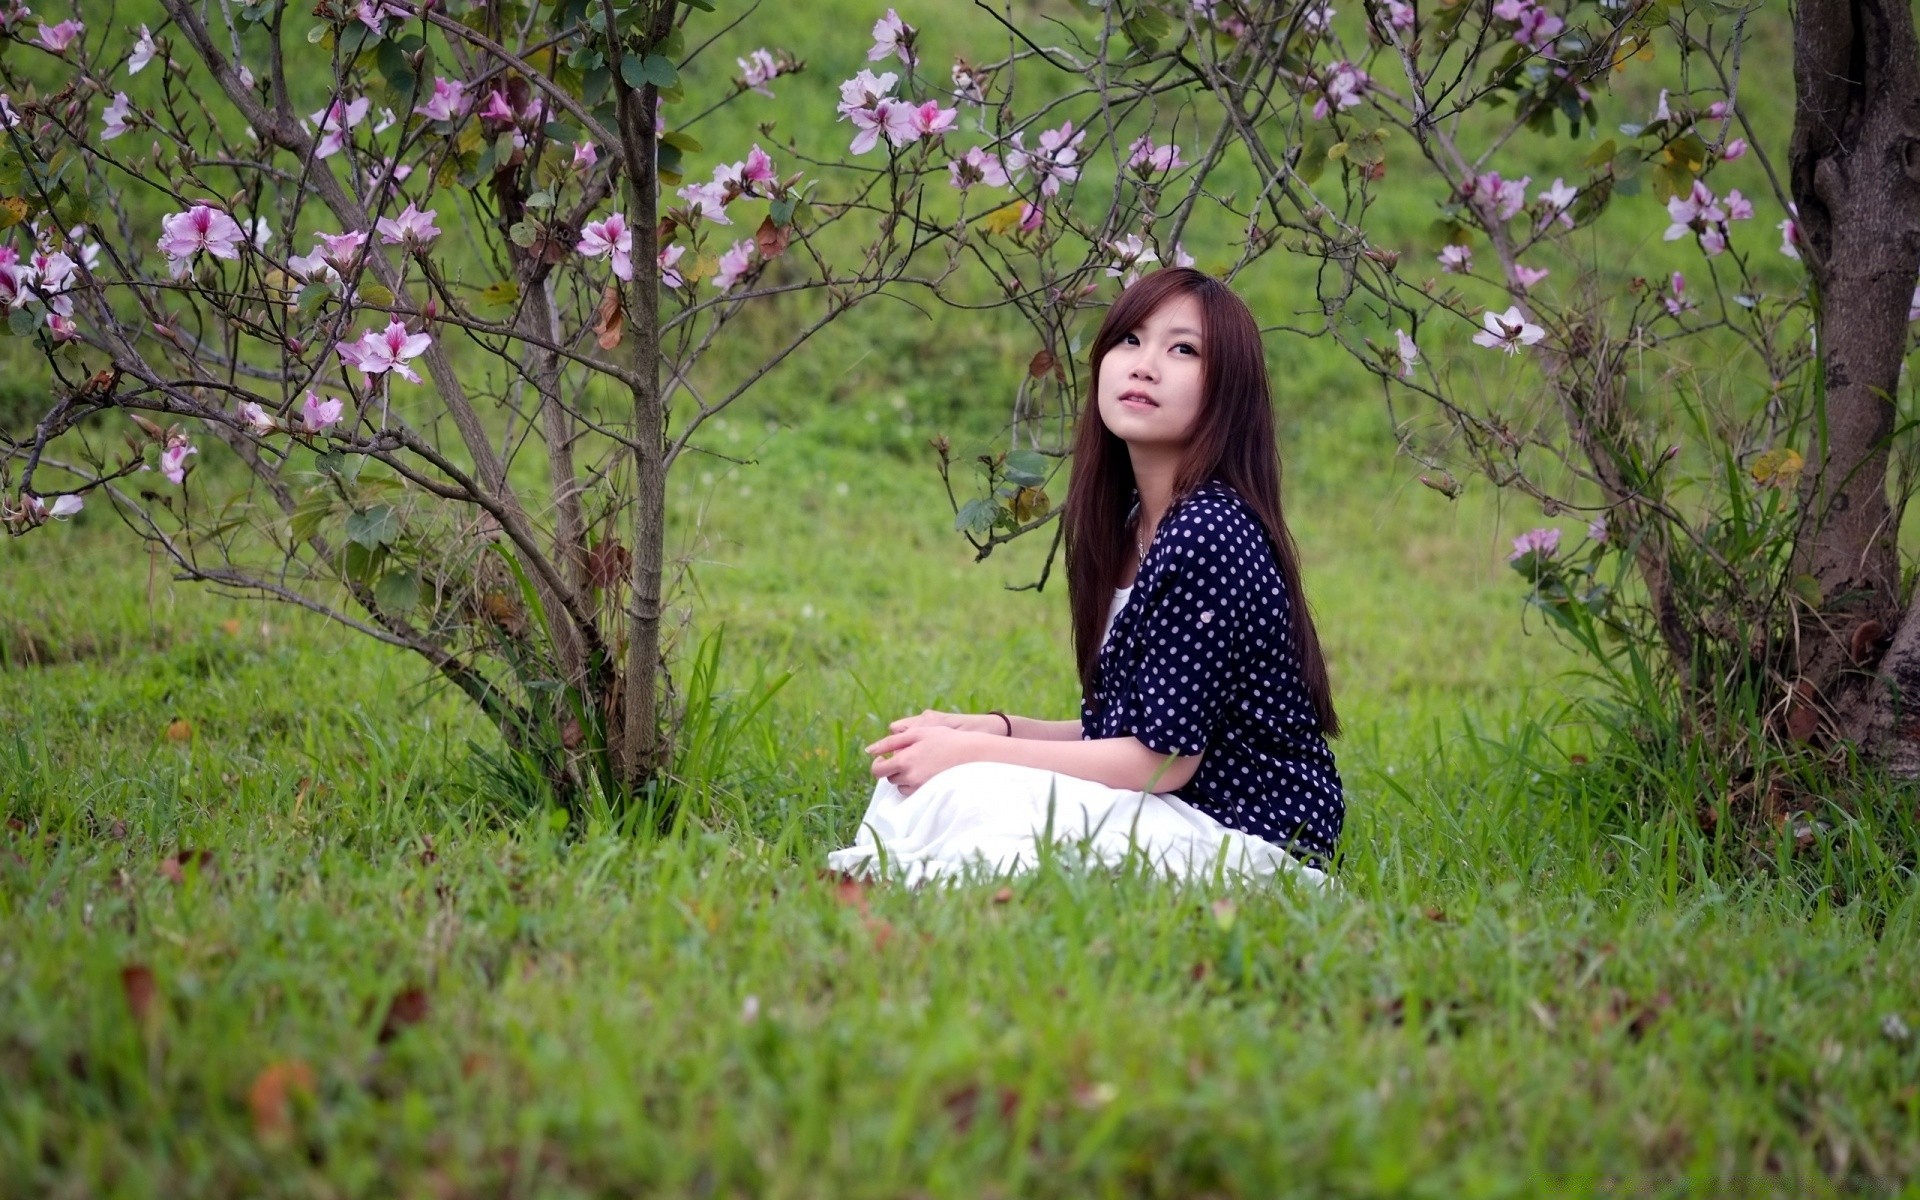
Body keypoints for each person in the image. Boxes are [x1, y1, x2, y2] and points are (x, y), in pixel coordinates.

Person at [827, 267, 1343, 887]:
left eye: (1183, 349)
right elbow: (1138, 727)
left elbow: (1164, 758)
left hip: (1251, 842)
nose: (1145, 365)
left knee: (970, 789)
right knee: (936, 783)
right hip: (1170, 809)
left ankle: (900, 902)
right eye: (1130, 340)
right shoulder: (1133, 526)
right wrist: (998, 728)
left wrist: (976, 752)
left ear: (1226, 392)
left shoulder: (1208, 532)